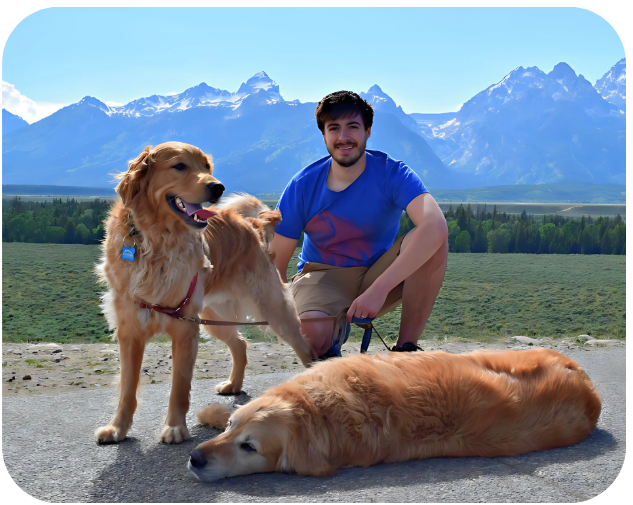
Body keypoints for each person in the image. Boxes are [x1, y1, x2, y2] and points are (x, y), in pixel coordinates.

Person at [270, 90, 449, 359]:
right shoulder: (302, 185)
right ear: (324, 135)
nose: (343, 137)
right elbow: (276, 263)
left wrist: (379, 290)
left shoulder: (392, 173)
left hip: (377, 273)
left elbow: (435, 226)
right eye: (334, 129)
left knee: (434, 242)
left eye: (352, 127)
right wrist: (288, 318)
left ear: (367, 131)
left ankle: (405, 351)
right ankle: (329, 336)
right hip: (321, 275)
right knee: (313, 337)